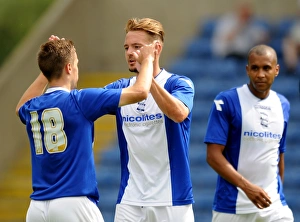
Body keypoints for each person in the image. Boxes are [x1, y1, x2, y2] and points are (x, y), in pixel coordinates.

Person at [15, 35, 156, 222]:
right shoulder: (79, 100)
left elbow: (20, 107)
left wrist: (48, 70)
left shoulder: (33, 108)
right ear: (69, 68)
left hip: (37, 209)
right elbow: (140, 92)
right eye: (76, 64)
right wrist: (147, 59)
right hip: (73, 203)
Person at [103, 18, 195, 222]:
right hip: (130, 200)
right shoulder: (121, 88)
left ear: (156, 49)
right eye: (126, 47)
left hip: (172, 199)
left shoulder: (178, 84)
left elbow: (179, 113)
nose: (129, 52)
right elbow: (82, 103)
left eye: (137, 47)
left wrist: (147, 78)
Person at [204, 44, 294, 222]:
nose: (260, 74)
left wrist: (277, 193)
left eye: (266, 68)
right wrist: (247, 187)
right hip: (232, 207)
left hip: (273, 207)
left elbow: (278, 154)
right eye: (255, 68)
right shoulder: (227, 100)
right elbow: (213, 156)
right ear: (247, 70)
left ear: (276, 70)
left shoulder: (283, 104)